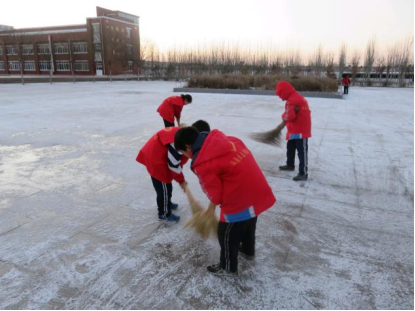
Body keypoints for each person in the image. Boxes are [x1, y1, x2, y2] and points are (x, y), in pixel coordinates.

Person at [174, 122, 276, 276]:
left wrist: (210, 209)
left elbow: (215, 193)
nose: (185, 156)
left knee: (226, 234)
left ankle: (227, 266)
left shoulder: (203, 163)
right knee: (248, 223)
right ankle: (248, 250)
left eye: (183, 152)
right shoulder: (230, 140)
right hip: (257, 191)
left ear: (189, 147)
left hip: (239, 200)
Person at [136, 127, 188, 221]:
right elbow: (174, 164)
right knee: (164, 190)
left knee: (167, 187)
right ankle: (164, 213)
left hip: (156, 153)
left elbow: (177, 161)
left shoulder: (183, 135)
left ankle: (167, 203)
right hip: (156, 161)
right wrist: (181, 181)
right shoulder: (177, 144)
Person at [276, 81, 312, 181]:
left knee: (302, 151)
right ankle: (290, 165)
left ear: (284, 92)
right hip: (295, 129)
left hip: (300, 130)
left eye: (280, 94)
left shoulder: (293, 100)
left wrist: (283, 116)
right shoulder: (295, 97)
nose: (279, 97)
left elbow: (290, 116)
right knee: (291, 147)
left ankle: (303, 173)